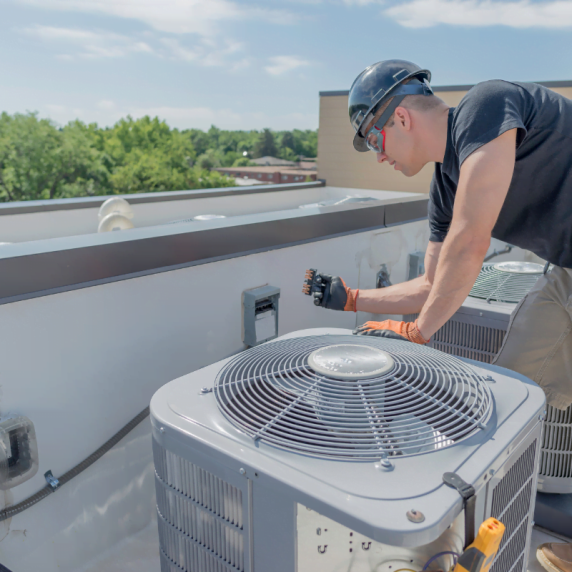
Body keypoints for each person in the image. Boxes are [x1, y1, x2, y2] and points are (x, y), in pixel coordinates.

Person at [307, 60, 572, 569]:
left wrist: (418, 331)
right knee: (508, 396)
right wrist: (351, 298)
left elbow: (470, 243)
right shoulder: (444, 186)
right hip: (567, 272)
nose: (376, 156)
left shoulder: (486, 104)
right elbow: (433, 283)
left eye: (373, 140)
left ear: (401, 118)